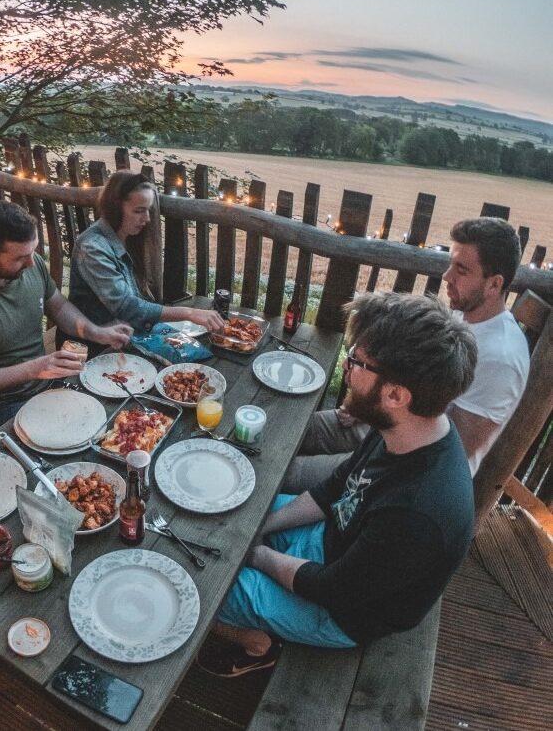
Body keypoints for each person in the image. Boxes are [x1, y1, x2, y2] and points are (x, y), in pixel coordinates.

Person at [197, 292, 477, 677]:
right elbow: (335, 489)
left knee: (203, 583)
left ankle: (255, 643)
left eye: (357, 362)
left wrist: (254, 552)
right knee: (226, 505)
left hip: (341, 612)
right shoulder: (401, 428)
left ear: (395, 394)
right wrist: (262, 525)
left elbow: (331, 589)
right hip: (329, 544)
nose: (347, 367)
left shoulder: (419, 512)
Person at [283, 217, 529, 489]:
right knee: (289, 428)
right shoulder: (461, 314)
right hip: (382, 425)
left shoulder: (501, 358)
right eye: (450, 264)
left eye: (461, 269)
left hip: (406, 469)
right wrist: (367, 406)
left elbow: (452, 450)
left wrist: (374, 413)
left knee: (285, 472)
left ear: (494, 284)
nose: (447, 277)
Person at [0, 200, 132, 432]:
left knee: (111, 417)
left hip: (45, 384)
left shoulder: (32, 263)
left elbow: (58, 307)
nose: (31, 262)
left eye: (33, 250)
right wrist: (34, 369)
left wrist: (97, 332)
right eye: (19, 258)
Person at [67, 170, 224, 351]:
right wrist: (189, 313)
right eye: (139, 211)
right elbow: (127, 307)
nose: (147, 219)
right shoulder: (92, 247)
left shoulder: (128, 236)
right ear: (115, 208)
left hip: (129, 334)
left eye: (148, 210)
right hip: (94, 346)